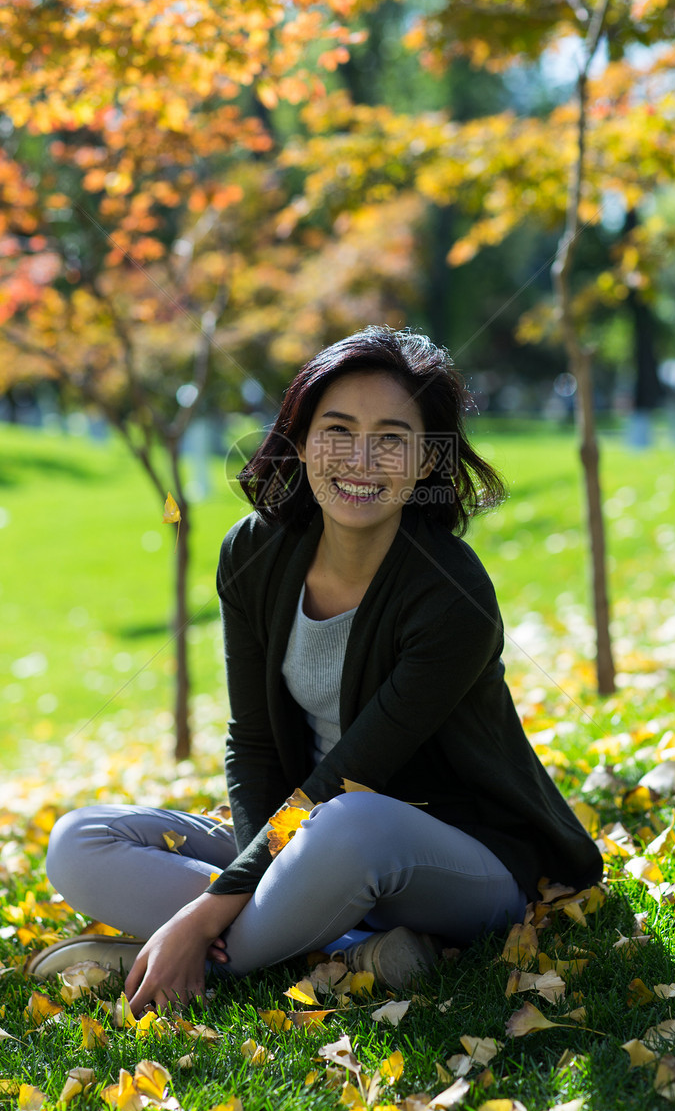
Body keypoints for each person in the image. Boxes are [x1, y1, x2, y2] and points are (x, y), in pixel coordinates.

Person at [35, 326, 602, 1010]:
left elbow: (348, 779)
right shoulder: (254, 553)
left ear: (428, 461)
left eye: (392, 437)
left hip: (451, 854)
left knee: (350, 821)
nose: (361, 459)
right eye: (338, 430)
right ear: (301, 442)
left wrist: (209, 910)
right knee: (79, 840)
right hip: (298, 834)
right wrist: (253, 876)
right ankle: (347, 954)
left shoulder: (452, 596)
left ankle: (201, 961)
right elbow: (251, 742)